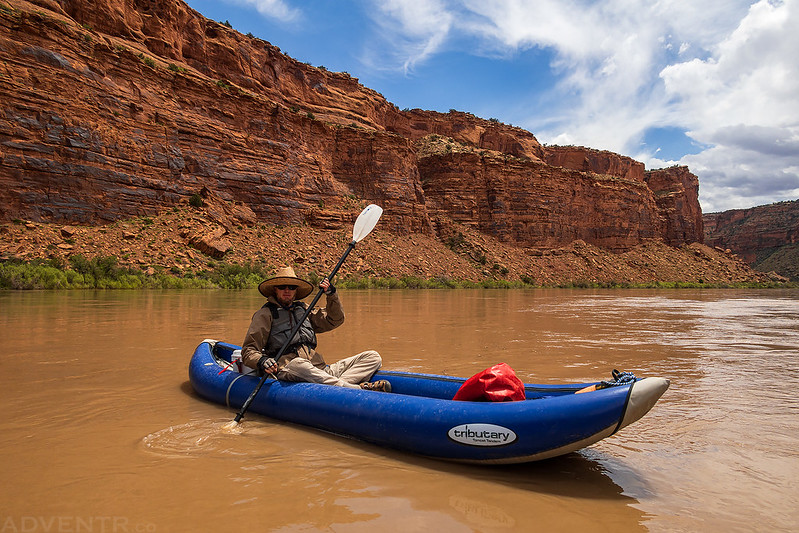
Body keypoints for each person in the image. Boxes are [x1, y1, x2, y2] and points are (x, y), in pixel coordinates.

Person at [241, 266, 391, 392]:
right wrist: (262, 360)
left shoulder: (304, 310)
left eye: (291, 287)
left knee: (373, 356)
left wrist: (332, 295)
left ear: (296, 290)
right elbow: (248, 351)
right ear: (275, 290)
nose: (287, 290)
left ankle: (335, 384)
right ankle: (355, 390)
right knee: (299, 364)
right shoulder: (265, 314)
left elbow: (335, 319)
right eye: (282, 287)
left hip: (319, 369)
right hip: (290, 368)